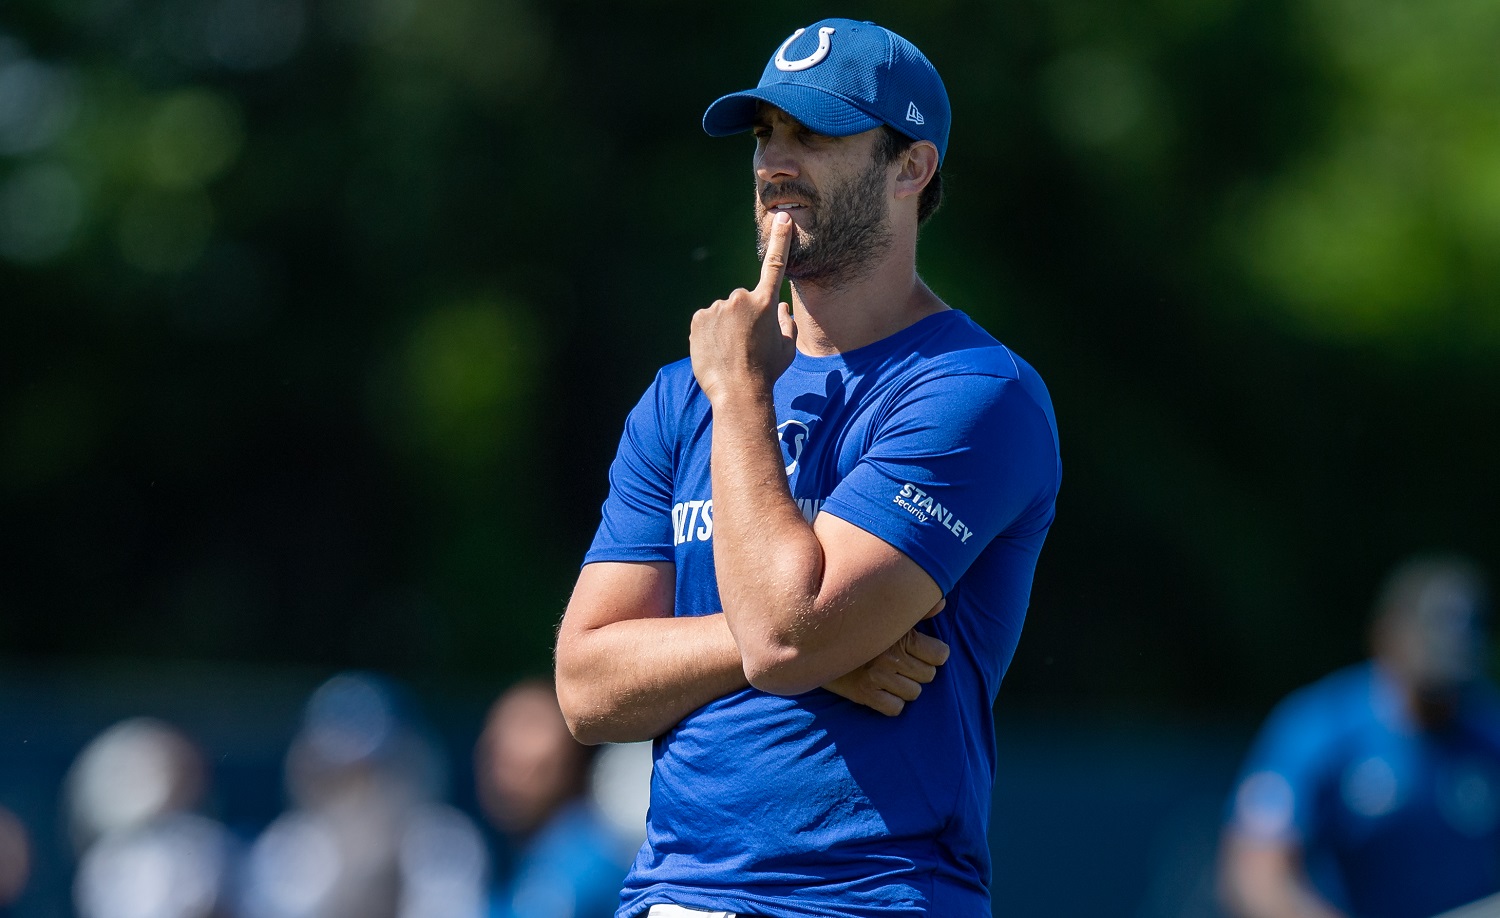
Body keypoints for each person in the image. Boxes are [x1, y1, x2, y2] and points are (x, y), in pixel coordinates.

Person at [554, 18, 1061, 918]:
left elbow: (793, 632)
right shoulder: (682, 394)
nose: (775, 163)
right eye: (764, 135)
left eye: (814, 134)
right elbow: (588, 687)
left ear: (912, 166)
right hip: (672, 895)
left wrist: (743, 396)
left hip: (870, 896)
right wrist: (785, 649)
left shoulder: (976, 392)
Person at [1219, 555, 1500, 918]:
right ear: (1386, 636)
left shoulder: (1489, 730)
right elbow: (1256, 875)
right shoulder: (1322, 728)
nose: (1443, 693)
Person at [476, 679, 633, 918]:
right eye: (497, 732)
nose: (506, 747)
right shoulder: (509, 853)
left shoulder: (584, 865)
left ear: (573, 756)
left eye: (529, 726)